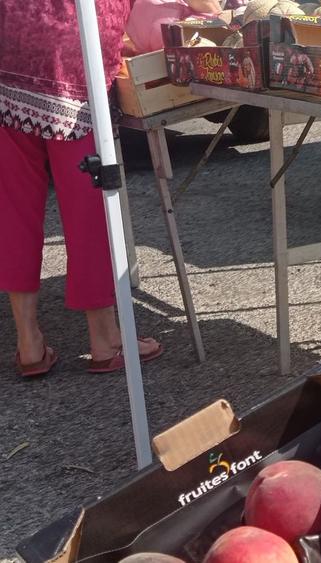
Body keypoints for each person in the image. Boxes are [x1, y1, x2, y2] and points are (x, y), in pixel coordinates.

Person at [0, 0, 163, 376]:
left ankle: (28, 343)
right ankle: (104, 337)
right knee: (88, 205)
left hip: (10, 48)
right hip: (73, 59)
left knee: (14, 209)